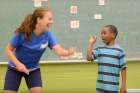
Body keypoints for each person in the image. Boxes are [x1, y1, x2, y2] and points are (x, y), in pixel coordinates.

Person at [4, 7, 75, 93]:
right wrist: (18, 65)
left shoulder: (48, 35)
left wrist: (67, 52)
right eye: (49, 19)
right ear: (39, 20)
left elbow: (59, 51)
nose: (51, 22)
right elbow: (8, 50)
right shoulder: (23, 34)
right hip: (14, 68)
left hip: (33, 70)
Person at [87, 25, 127, 93]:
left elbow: (123, 68)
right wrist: (90, 44)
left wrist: (123, 86)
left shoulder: (120, 51)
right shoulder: (100, 49)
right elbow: (89, 58)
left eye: (104, 33)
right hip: (100, 88)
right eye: (101, 33)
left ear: (113, 35)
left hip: (113, 89)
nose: (102, 35)